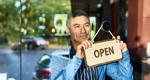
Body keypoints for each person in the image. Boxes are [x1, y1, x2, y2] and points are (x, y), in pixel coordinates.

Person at [56, 10, 133, 80]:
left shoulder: (100, 53)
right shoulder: (60, 57)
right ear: (68, 31)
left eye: (86, 25)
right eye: (77, 26)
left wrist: (124, 55)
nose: (83, 30)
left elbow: (125, 78)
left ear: (90, 27)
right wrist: (77, 58)